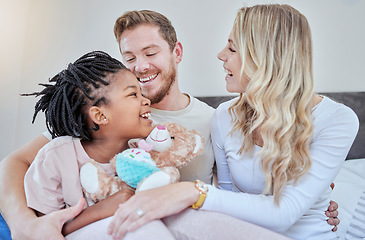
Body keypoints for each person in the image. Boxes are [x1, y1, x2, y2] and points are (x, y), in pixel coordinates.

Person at [0, 8, 339, 240]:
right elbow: (14, 162)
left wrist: (312, 199)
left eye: (151, 53)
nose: (140, 66)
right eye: (129, 57)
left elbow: (233, 194)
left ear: (176, 51)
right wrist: (24, 225)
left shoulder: (216, 119)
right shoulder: (102, 117)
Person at [107, 5, 358, 240]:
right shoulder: (224, 116)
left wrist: (192, 192)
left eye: (233, 48)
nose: (220, 55)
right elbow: (229, 201)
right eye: (129, 57)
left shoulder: (336, 119)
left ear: (265, 56)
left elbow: (285, 210)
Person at [22, 50, 175, 239]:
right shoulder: (56, 156)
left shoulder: (141, 153)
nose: (146, 100)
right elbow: (45, 231)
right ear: (101, 116)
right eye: (133, 94)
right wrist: (105, 208)